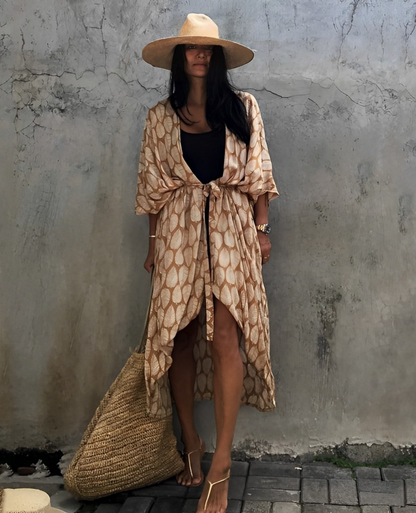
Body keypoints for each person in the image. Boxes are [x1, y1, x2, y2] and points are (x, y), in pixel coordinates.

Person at [136, 13, 278, 513]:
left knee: (226, 336)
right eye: (191, 49)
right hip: (176, 232)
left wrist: (261, 230)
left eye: (208, 49)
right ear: (179, 59)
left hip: (233, 230)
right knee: (180, 335)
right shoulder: (159, 116)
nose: (199, 55)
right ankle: (190, 441)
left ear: (218, 59)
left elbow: (260, 172)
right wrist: (154, 244)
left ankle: (221, 462)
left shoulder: (244, 107)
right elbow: (152, 187)